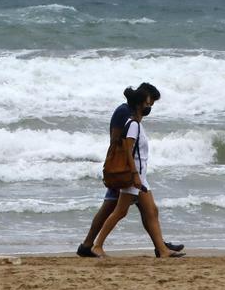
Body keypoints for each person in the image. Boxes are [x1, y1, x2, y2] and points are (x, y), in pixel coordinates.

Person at [78, 84, 185, 258]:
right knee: (115, 210)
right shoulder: (126, 115)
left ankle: (161, 247)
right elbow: (120, 144)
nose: (151, 107)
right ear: (144, 100)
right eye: (150, 102)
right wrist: (124, 171)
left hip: (134, 173)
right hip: (125, 171)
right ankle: (92, 245)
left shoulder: (133, 119)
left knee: (149, 210)